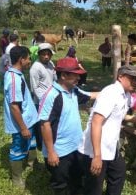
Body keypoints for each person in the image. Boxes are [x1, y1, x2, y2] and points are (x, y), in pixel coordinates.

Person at [78, 65, 136, 195]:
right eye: (132, 79)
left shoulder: (125, 95)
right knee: (94, 188)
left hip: (110, 148)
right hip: (95, 151)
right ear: (120, 77)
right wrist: (97, 156)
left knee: (118, 174)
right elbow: (96, 122)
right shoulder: (111, 93)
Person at [38, 57, 98, 195]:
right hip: (59, 151)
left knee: (76, 179)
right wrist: (51, 152)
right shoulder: (52, 95)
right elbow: (44, 125)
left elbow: (92, 95)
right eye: (75, 74)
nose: (78, 77)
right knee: (61, 184)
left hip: (75, 146)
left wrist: (112, 93)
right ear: (63, 75)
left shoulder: (74, 91)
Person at [3, 46, 38, 188]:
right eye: (28, 58)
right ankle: (16, 179)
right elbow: (14, 106)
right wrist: (23, 128)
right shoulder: (14, 79)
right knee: (18, 148)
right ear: (21, 59)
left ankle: (32, 163)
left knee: (31, 142)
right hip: (21, 123)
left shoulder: (18, 73)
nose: (30, 61)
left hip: (28, 119)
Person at [29, 43, 56, 151]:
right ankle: (41, 144)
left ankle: (50, 140)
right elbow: (34, 89)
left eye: (48, 54)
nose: (46, 57)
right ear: (39, 55)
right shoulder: (35, 68)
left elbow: (54, 79)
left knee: (51, 122)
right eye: (44, 54)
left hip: (52, 98)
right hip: (41, 101)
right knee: (42, 124)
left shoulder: (51, 64)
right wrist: (44, 101)